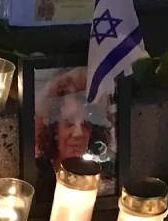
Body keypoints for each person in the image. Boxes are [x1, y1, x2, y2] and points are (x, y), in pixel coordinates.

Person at [34, 67, 114, 195]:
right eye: (69, 123)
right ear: (53, 128)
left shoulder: (106, 176)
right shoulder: (35, 176)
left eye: (86, 123)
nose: (79, 133)